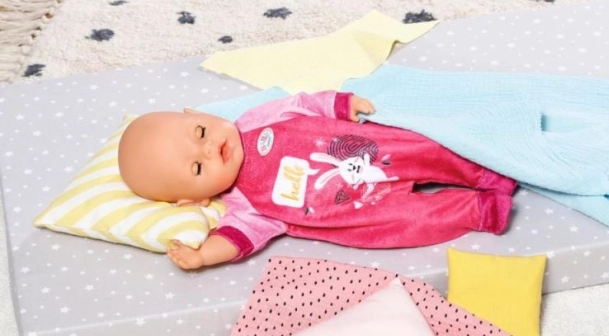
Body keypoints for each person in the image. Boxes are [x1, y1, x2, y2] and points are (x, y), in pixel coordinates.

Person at [118, 91, 516, 270]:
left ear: (196, 113)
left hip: (373, 151)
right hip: (371, 215)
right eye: (197, 169)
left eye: (201, 132)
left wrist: (340, 104)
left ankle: (485, 171)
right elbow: (234, 241)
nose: (208, 149)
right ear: (193, 200)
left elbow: (303, 104)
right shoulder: (245, 208)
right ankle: (479, 210)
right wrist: (203, 256)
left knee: (426, 149)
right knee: (417, 222)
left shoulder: (257, 120)